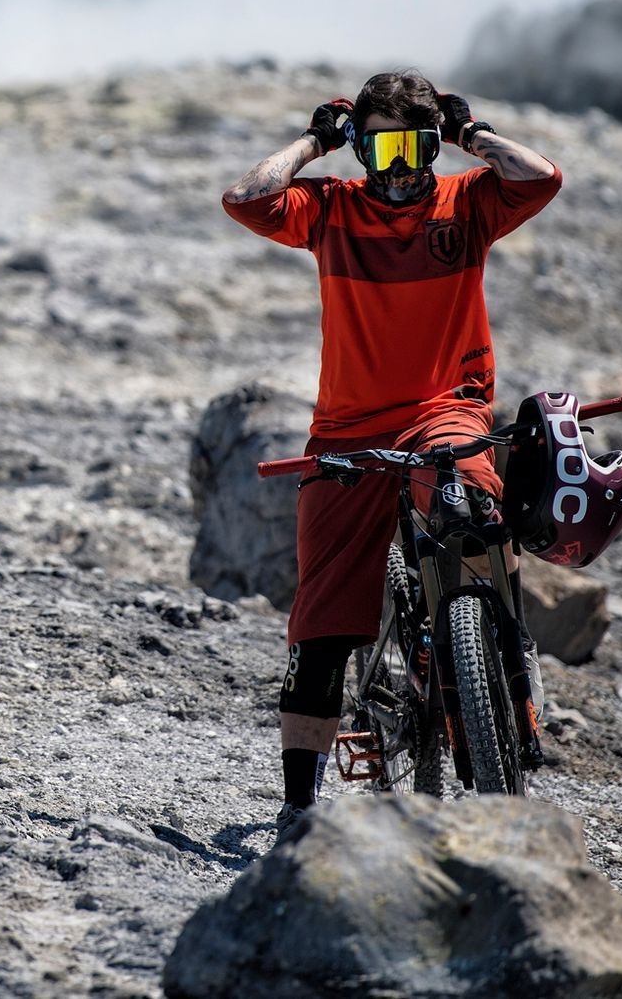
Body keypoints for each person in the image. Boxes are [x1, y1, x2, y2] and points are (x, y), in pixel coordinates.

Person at [221, 70, 560, 832]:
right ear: (361, 151)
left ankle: (503, 671)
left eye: (416, 146)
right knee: (321, 633)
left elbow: (543, 177)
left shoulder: (468, 202)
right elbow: (245, 199)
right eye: (382, 149)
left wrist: (475, 134)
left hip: (446, 412)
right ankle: (297, 809)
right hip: (346, 434)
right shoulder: (331, 210)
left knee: (472, 513)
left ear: (436, 145)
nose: (401, 166)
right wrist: (314, 142)